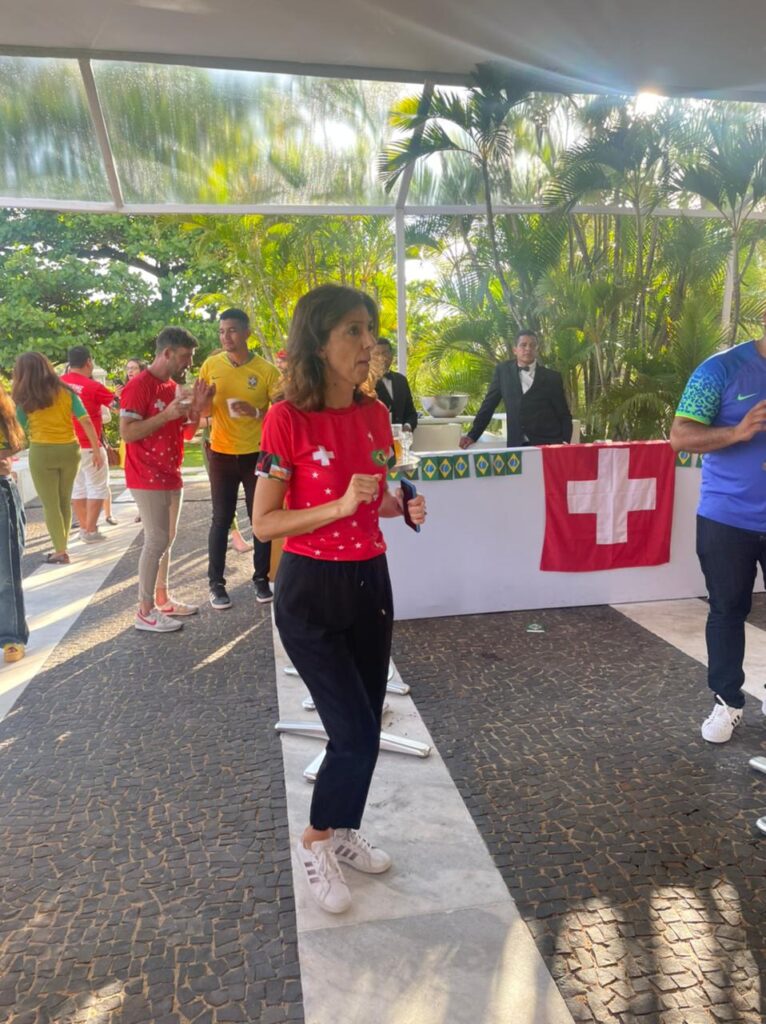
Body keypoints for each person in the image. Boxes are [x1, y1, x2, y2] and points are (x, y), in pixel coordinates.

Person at [252, 284, 426, 915]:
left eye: (370, 331)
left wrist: (402, 505)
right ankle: (315, 840)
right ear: (318, 341)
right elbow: (265, 524)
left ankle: (344, 831)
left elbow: (378, 493)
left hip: (368, 584)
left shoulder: (375, 415)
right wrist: (338, 505)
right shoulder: (285, 419)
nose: (367, 344)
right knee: (352, 734)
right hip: (308, 593)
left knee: (364, 728)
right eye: (352, 330)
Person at [670, 323, 766, 743]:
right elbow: (680, 436)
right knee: (727, 611)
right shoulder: (720, 370)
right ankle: (728, 702)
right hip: (728, 518)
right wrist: (739, 431)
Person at [120, 327, 213, 633]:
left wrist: (196, 408)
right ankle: (145, 611)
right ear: (167, 353)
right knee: (156, 539)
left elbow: (185, 433)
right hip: (145, 474)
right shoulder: (138, 386)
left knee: (167, 540)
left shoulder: (172, 386)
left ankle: (162, 599)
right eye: (185, 356)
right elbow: (127, 432)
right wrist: (167, 415)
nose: (188, 363)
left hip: (170, 472)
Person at [198, 308, 280, 609]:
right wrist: (202, 404)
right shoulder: (210, 365)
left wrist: (256, 412)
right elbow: (203, 414)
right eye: (221, 331)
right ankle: (216, 584)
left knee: (260, 519)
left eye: (231, 330)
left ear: (247, 333)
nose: (226, 337)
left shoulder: (267, 371)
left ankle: (261, 578)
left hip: (257, 455)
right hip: (220, 453)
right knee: (220, 519)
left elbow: (282, 415)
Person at [12, 352, 104, 564]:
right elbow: (85, 420)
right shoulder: (66, 391)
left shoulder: (26, 398)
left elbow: (18, 430)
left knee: (50, 504)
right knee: (64, 500)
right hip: (70, 451)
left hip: (42, 452)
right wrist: (97, 450)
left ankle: (60, 550)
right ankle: (62, 547)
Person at [459, 330, 572, 449]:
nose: (528, 348)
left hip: (548, 444)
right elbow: (489, 405)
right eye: (523, 345)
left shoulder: (552, 377)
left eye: (532, 345)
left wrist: (564, 442)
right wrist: (472, 435)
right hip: (516, 445)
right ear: (515, 350)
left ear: (537, 350)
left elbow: (563, 413)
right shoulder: (503, 371)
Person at [61, 346, 116, 543]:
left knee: (78, 487)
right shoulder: (94, 387)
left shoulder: (57, 385)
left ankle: (84, 527)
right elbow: (119, 407)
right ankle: (91, 530)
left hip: (66, 445)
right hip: (90, 445)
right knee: (98, 487)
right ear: (88, 362)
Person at [0, 384, 29, 663]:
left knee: (6, 571)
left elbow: (13, 448)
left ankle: (12, 636)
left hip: (1, 492)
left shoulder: (3, 414)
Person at [373, 337, 418, 430]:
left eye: (385, 353)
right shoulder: (364, 383)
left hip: (400, 442)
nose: (381, 358)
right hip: (376, 442)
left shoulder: (401, 380)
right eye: (377, 354)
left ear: (392, 355)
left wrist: (407, 426)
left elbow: (411, 413)